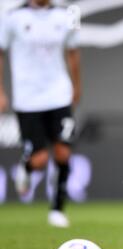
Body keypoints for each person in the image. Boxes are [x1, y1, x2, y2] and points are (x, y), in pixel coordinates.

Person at [0, 0, 81, 227]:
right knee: (40, 160)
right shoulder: (11, 16)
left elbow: (73, 52)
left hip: (59, 95)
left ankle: (57, 209)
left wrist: (76, 86)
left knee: (63, 153)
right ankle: (26, 167)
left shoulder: (68, 13)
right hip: (28, 99)